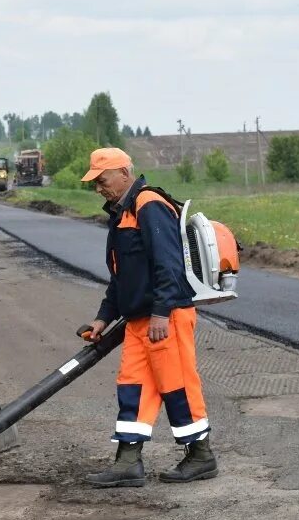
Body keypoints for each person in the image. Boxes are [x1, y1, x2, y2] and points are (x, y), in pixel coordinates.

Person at [80, 148, 217, 487]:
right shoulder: (121, 213)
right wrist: (103, 317)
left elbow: (168, 264)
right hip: (139, 320)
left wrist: (161, 312)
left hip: (164, 317)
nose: (98, 187)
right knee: (133, 385)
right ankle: (128, 462)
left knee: (177, 383)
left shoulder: (149, 205)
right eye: (95, 182)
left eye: (102, 179)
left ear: (124, 173)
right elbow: (121, 276)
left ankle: (201, 456)